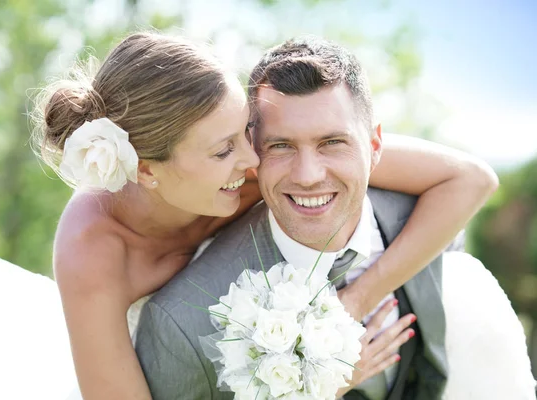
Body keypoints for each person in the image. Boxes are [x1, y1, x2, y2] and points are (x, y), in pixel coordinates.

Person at [0, 31, 519, 400]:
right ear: (146, 170)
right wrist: (317, 382)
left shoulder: (261, 167)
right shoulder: (95, 254)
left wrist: (355, 303)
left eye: (246, 132)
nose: (255, 160)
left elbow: (468, 179)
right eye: (224, 150)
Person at [134, 36, 535, 399]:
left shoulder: (423, 220)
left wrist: (358, 299)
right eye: (281, 146)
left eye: (332, 142)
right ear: (252, 151)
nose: (308, 176)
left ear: (375, 145)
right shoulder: (182, 322)